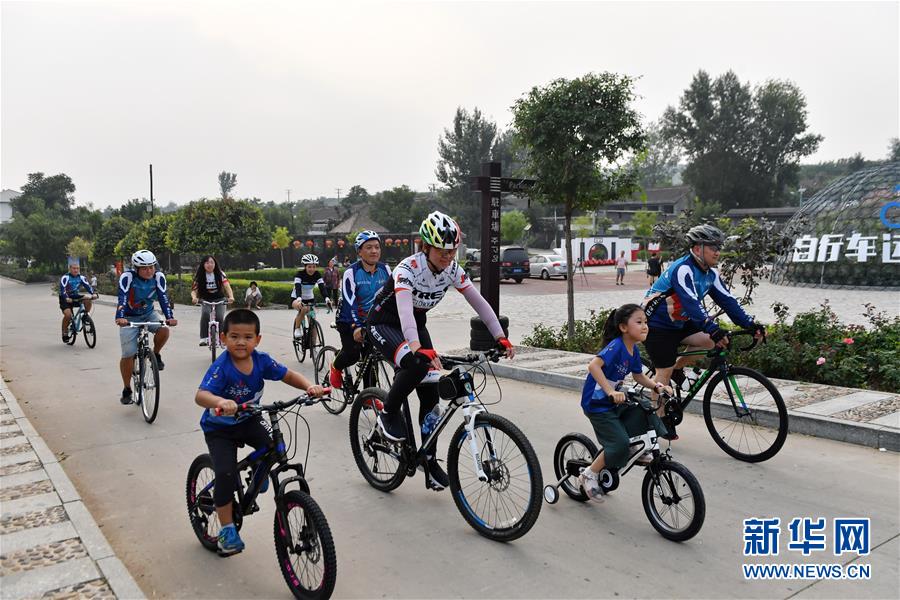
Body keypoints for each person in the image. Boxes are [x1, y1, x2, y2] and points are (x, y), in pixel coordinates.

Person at [367, 211, 515, 491]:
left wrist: (500, 336)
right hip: (385, 323)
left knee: (430, 396)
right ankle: (388, 411)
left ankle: (429, 459)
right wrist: (415, 348)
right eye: (441, 252)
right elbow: (404, 312)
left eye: (452, 251)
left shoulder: (452, 270)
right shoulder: (407, 269)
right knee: (414, 364)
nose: (447, 257)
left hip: (416, 323)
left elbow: (479, 302)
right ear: (426, 247)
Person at [194, 309, 326, 556]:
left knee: (276, 448)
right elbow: (201, 395)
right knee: (225, 473)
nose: (241, 342)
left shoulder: (262, 360)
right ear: (223, 338)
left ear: (257, 339)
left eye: (247, 337)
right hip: (220, 429)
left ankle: (257, 471)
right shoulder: (222, 367)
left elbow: (287, 374)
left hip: (249, 420)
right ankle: (227, 530)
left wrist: (310, 386)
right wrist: (220, 402)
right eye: (234, 336)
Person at [642, 224, 763, 439]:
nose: (718, 251)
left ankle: (678, 370)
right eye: (713, 246)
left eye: (719, 246)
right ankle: (658, 421)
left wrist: (750, 324)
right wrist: (712, 327)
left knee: (710, 342)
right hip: (657, 324)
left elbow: (728, 301)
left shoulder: (710, 274)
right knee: (664, 373)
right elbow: (690, 303)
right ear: (698, 249)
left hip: (680, 322)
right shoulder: (683, 269)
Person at [577, 304, 673, 502]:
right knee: (618, 443)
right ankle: (589, 474)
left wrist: (657, 386)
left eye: (646, 322)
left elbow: (638, 376)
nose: (645, 326)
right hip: (597, 403)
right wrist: (610, 390)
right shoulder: (617, 346)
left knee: (643, 411)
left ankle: (636, 449)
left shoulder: (633, 350)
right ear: (623, 327)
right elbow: (594, 365)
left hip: (612, 400)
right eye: (639, 322)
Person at [329, 231, 391, 390]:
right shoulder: (352, 272)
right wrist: (357, 326)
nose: (374, 251)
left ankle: (369, 395)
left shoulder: (386, 270)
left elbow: (393, 297)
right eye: (369, 247)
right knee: (353, 354)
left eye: (377, 247)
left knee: (372, 356)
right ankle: (336, 367)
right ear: (359, 251)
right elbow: (350, 302)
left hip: (372, 319)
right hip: (348, 318)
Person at [115, 250, 177, 405]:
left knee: (164, 329)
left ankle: (155, 354)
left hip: (149, 314)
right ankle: (127, 388)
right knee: (128, 354)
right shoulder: (127, 277)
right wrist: (120, 317)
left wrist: (169, 317)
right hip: (128, 317)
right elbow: (122, 297)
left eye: (151, 267)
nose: (149, 271)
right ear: (136, 268)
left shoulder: (158, 277)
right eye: (144, 268)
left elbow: (163, 297)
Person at [191, 256, 234, 346]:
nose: (209, 265)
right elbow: (194, 290)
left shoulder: (220, 274)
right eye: (207, 263)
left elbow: (227, 286)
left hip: (220, 299)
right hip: (206, 299)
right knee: (205, 314)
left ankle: (222, 338)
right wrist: (194, 298)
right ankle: (203, 338)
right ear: (203, 265)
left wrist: (231, 296)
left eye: (212, 262)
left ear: (215, 264)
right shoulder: (200, 275)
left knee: (219, 317)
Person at [291, 255, 331, 340]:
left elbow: (322, 288)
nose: (312, 269)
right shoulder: (299, 275)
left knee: (313, 322)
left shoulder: (317, 274)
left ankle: (313, 347)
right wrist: (299, 299)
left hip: (309, 298)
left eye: (314, 267)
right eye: (309, 267)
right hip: (297, 298)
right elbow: (298, 287)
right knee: (304, 309)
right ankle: (297, 328)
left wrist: (327, 299)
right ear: (305, 267)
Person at [59, 260, 98, 343]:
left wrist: (93, 294)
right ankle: (65, 332)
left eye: (77, 268)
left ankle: (85, 316)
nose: (76, 270)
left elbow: (88, 287)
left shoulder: (81, 277)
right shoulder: (65, 277)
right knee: (68, 315)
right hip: (65, 297)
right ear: (70, 269)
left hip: (74, 295)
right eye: (74, 268)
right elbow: (63, 290)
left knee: (87, 299)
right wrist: (66, 298)